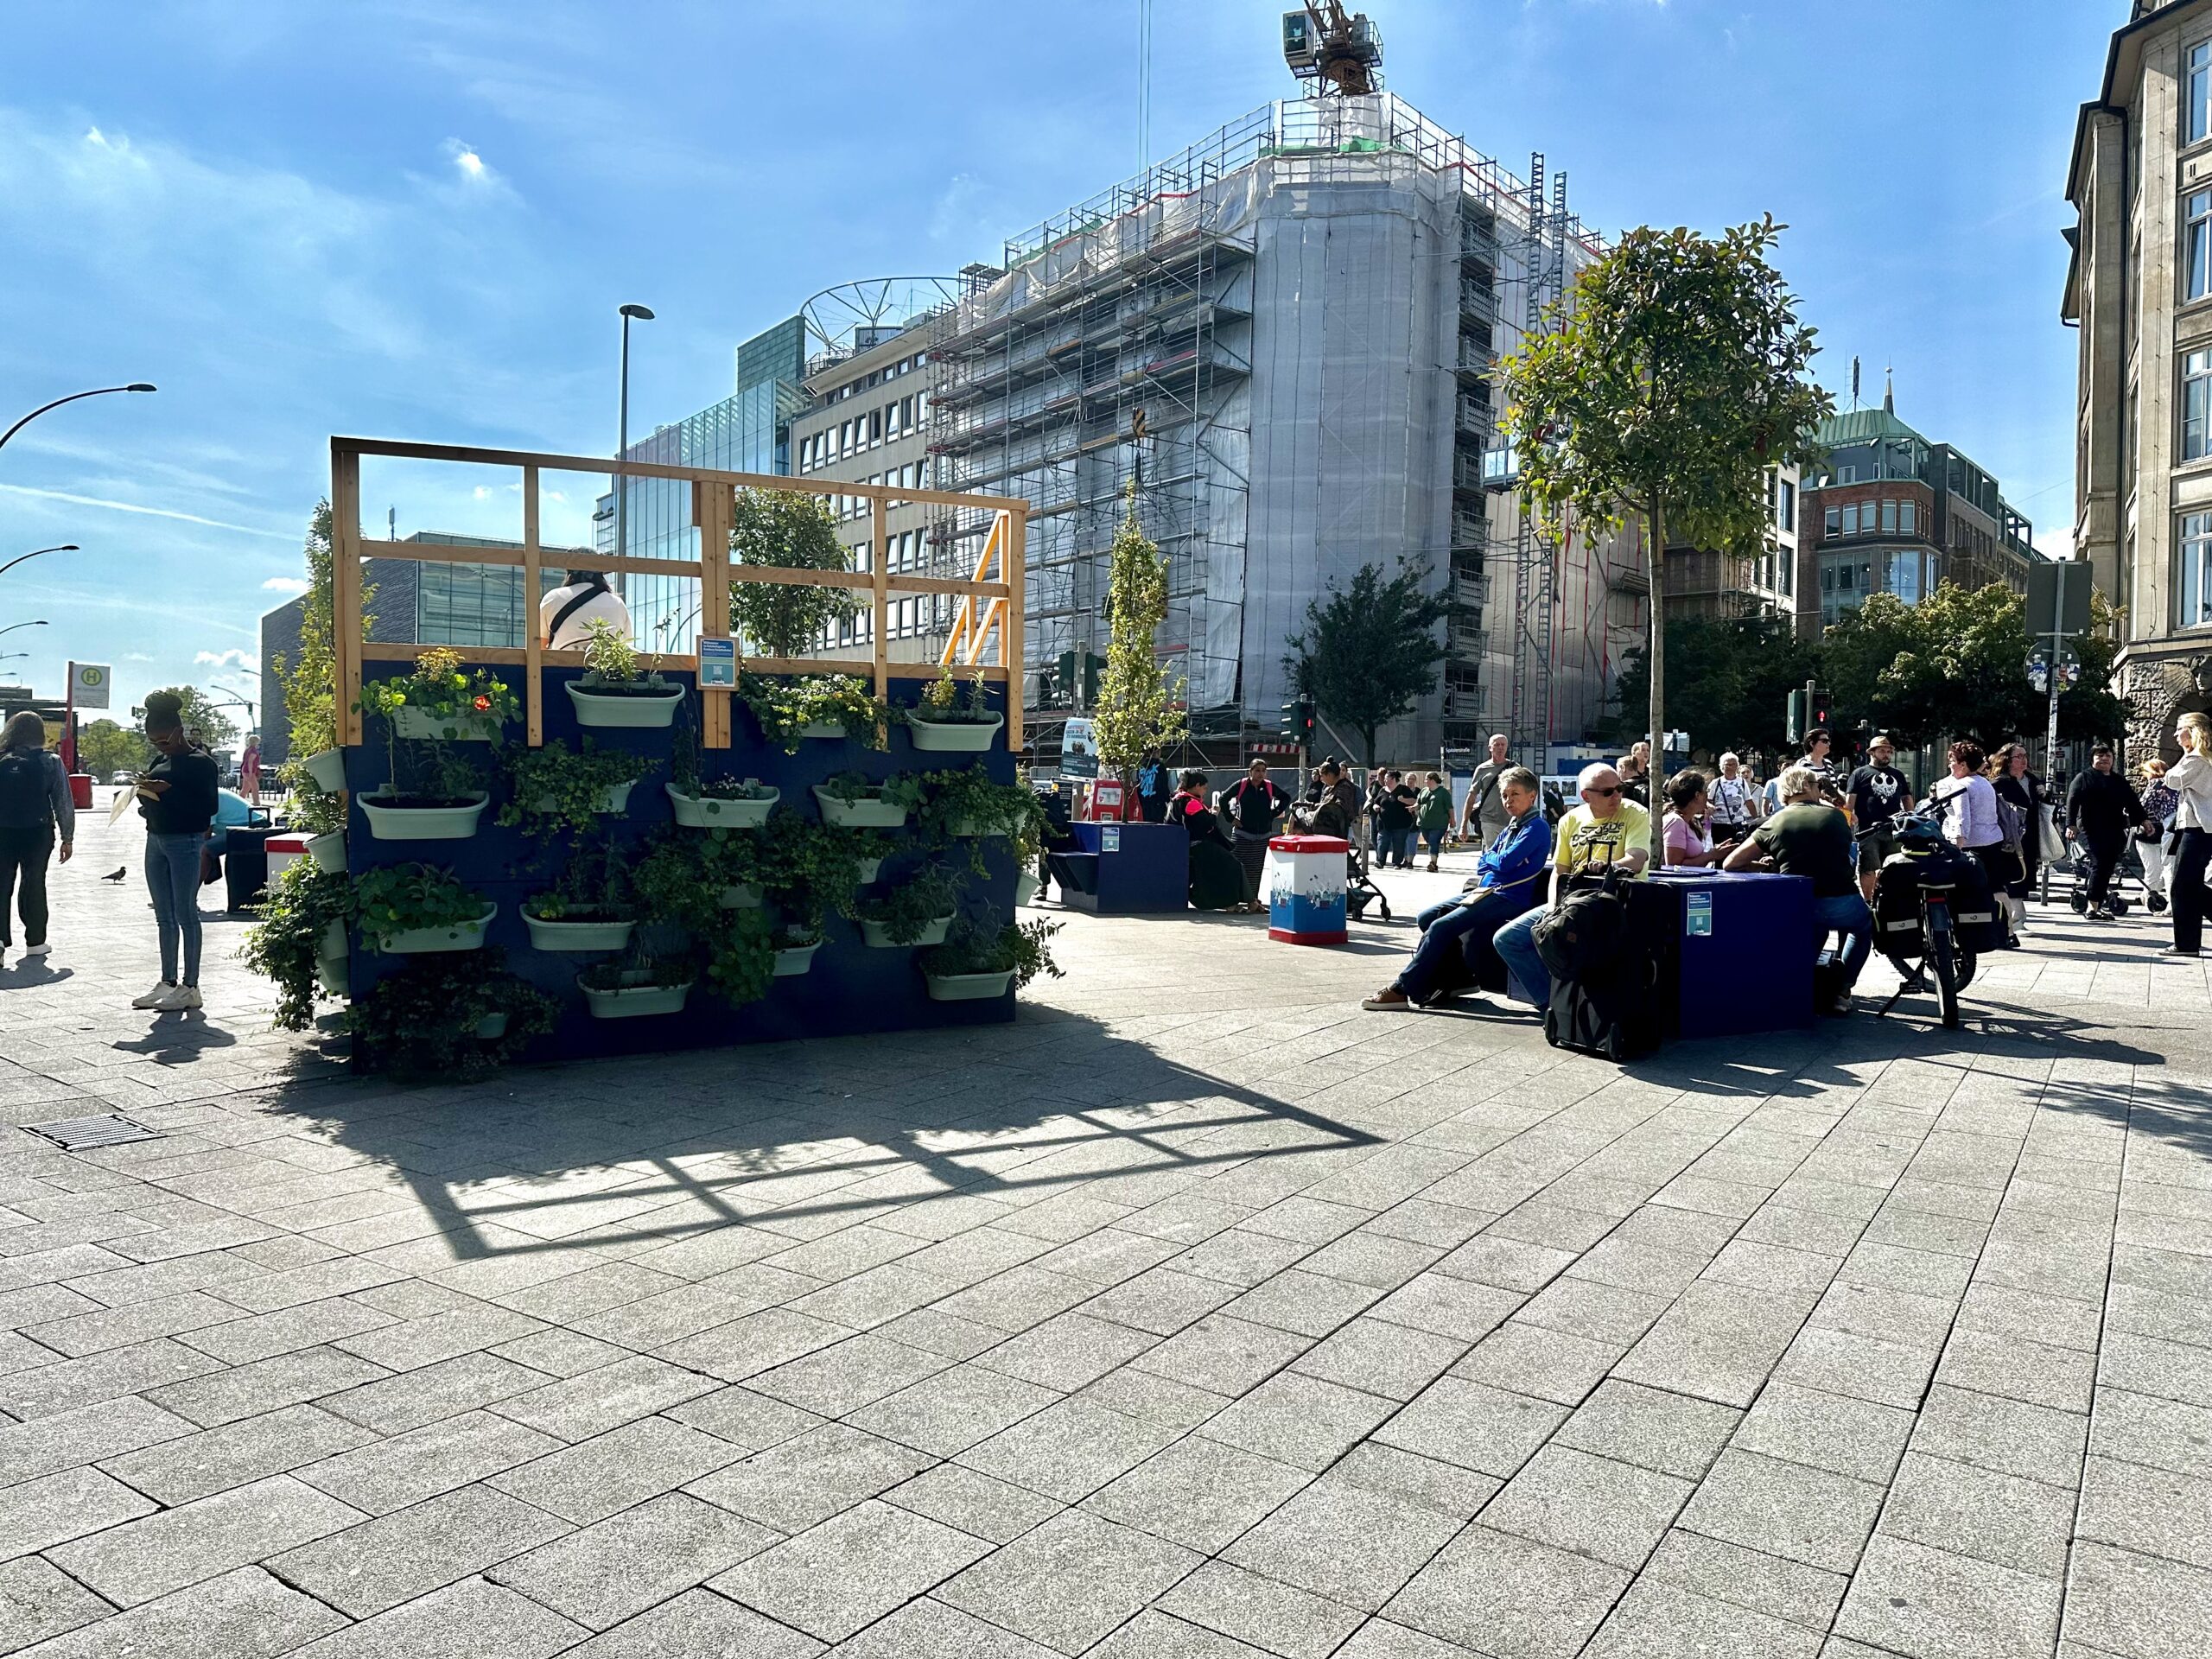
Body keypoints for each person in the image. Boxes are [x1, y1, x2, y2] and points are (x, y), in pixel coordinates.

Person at [1364, 768, 1549, 1010]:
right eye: (1504, 795)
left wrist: (1494, 859)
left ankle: (1403, 988)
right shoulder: (1512, 825)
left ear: (1532, 796)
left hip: (1508, 896)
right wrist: (1494, 859)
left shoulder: (1535, 827)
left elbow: (1501, 862)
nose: (1508, 800)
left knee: (1441, 927)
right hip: (1486, 891)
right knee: (1427, 917)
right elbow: (1487, 862)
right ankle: (1459, 977)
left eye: (1515, 794)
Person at [1492, 762, 1652, 1010]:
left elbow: (1637, 858)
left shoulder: (1635, 813)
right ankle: (1553, 1005)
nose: (1617, 796)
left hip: (1613, 903)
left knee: (1579, 944)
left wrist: (1609, 864)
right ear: (1586, 796)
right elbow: (1560, 869)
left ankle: (1571, 1007)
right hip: (1572, 902)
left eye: (1619, 788)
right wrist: (1553, 908)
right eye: (1608, 792)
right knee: (1507, 939)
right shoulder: (1570, 820)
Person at [1723, 764, 1871, 1014]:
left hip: (1797, 902)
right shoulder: (1835, 815)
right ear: (1804, 786)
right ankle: (1843, 990)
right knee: (1863, 925)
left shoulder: (1775, 821)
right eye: (1816, 785)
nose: (1819, 790)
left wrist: (1764, 866)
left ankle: (1799, 986)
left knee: (1814, 928)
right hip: (1840, 898)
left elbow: (1731, 863)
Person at [131, 690, 219, 1009]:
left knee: (186, 913)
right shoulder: (159, 761)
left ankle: (191, 986)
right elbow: (151, 803)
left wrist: (168, 793)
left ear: (179, 732)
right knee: (163, 915)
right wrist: (142, 793)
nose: (160, 747)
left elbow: (208, 807)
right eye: (154, 742)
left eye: (164, 741)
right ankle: (167, 981)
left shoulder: (201, 764)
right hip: (155, 839)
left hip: (185, 841)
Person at [0, 712, 74, 969]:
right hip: (38, 832)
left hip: (2, 831)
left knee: (1, 885)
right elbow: (63, 801)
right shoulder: (50, 761)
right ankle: (35, 941)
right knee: (34, 882)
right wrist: (68, 837)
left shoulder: (1, 759)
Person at [1934, 739, 2014, 937]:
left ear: (1963, 764)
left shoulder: (1961, 786)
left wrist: (1957, 847)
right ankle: (2008, 931)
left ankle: (1974, 929)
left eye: (1953, 760)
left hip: (1972, 844)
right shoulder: (1984, 783)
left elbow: (1962, 819)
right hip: (1993, 840)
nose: (1950, 765)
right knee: (1997, 887)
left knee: (1969, 888)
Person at [2059, 745, 2144, 922]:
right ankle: (2093, 906)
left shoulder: (2118, 780)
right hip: (2090, 829)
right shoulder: (2083, 778)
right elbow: (2072, 801)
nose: (2105, 758)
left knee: (2106, 867)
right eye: (2100, 755)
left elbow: (2132, 801)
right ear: (2092, 759)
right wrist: (2070, 824)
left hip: (2114, 829)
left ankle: (2096, 904)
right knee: (2100, 864)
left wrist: (2143, 820)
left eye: (2108, 755)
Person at [2163, 711, 2212, 957]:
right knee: (2190, 885)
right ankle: (2188, 943)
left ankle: (2185, 944)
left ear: (2192, 731)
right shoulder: (2202, 759)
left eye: (2180, 728)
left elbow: (2171, 779)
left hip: (2199, 829)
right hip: (2198, 827)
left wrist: (2183, 755)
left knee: (2181, 886)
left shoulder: (2195, 760)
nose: (2175, 734)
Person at [1990, 742, 2048, 931]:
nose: (2023, 760)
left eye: (2025, 756)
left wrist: (2046, 795)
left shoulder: (2032, 780)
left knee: (2026, 874)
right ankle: (2015, 920)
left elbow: (2041, 805)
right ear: (2007, 760)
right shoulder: (2000, 783)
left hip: (2030, 835)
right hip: (2009, 838)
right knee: (2014, 875)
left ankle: (2017, 918)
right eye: (2019, 757)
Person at [1848, 734, 1912, 903]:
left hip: (1894, 828)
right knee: (1869, 868)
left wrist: (1910, 817)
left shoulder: (1897, 774)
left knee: (1896, 866)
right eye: (1882, 751)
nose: (1886, 754)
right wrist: (1848, 820)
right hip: (1868, 829)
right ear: (1872, 753)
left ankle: (1894, 900)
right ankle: (1868, 903)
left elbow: (1906, 797)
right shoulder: (1859, 774)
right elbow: (1850, 802)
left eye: (1889, 751)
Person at [1167, 769, 1243, 911]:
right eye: (1204, 788)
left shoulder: (1176, 799)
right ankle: (1231, 903)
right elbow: (1207, 824)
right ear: (1197, 786)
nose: (1205, 791)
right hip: (1197, 845)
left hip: (1183, 845)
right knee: (1232, 865)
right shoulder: (1191, 803)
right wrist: (1214, 814)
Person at [1222, 759, 1290, 912]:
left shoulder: (1269, 787)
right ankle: (1232, 901)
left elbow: (1286, 798)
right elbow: (1223, 799)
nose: (1260, 774)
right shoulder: (1241, 785)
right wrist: (1231, 819)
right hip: (1242, 834)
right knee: (1237, 867)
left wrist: (1273, 814)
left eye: (1263, 771)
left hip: (1262, 835)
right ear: (1250, 771)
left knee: (1256, 870)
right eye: (1257, 770)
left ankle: (1253, 901)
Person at [1459, 734, 1514, 848]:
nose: (1500, 748)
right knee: (1494, 854)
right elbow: (1471, 797)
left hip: (1511, 820)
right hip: (1489, 820)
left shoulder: (1514, 768)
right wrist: (1463, 826)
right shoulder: (1482, 769)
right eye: (1497, 745)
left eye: (1503, 745)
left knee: (1509, 855)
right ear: (1490, 748)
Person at [2139, 757, 2179, 912]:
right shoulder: (2175, 782)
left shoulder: (2155, 783)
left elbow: (2143, 806)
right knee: (2173, 865)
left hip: (2170, 826)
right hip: (2182, 823)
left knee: (2168, 866)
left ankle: (2171, 905)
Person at [1661, 770, 1723, 868]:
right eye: (1705, 792)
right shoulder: (1676, 822)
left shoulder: (1687, 821)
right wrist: (1711, 855)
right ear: (1697, 795)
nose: (1707, 796)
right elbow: (1673, 866)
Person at [1707, 753, 1762, 848]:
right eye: (1727, 764)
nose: (1730, 767)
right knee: (1721, 853)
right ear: (1721, 766)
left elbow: (1749, 801)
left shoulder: (1742, 782)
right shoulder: (1715, 783)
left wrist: (1756, 820)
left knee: (1737, 852)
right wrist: (1710, 807)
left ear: (1737, 766)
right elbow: (1708, 800)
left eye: (1733, 764)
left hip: (1738, 824)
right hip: (1719, 824)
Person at [1296, 760, 1360, 839]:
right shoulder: (1329, 788)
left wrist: (1316, 806)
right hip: (1326, 826)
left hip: (1336, 829)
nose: (1322, 779)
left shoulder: (1345, 787)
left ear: (1329, 775)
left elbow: (1339, 808)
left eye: (1322, 776)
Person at [1800, 729, 1849, 811]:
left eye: (1828, 741)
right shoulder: (1803, 765)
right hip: (1813, 811)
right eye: (1825, 741)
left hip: (1831, 811)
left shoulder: (1828, 763)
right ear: (1812, 744)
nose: (1829, 744)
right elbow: (1802, 793)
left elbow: (1835, 789)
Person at [1378, 772, 1418, 868]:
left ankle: (1397, 863)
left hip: (1401, 824)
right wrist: (1376, 806)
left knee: (1399, 844)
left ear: (1393, 779)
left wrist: (1403, 800)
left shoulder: (1403, 789)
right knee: (1382, 842)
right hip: (1384, 823)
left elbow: (1414, 800)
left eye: (1386, 778)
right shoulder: (1383, 790)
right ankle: (1380, 861)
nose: (1385, 780)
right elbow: (1377, 802)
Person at [1416, 771, 1453, 872]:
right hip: (1424, 823)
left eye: (1426, 779)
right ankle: (1434, 860)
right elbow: (1418, 804)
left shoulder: (1443, 793)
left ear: (1432, 780)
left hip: (1439, 823)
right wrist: (1412, 807)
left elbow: (1450, 808)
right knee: (1431, 842)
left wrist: (1452, 821)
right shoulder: (1424, 791)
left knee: (1433, 841)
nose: (1425, 781)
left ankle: (1433, 863)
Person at [1135, 750, 1171, 825]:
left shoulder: (1140, 767)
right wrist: (1168, 800)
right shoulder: (1160, 767)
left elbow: (1138, 786)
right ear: (1158, 752)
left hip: (1145, 800)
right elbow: (1164, 785)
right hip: (1158, 802)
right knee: (1157, 826)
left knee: (1147, 824)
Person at [238, 736, 263, 807]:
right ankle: (256, 803)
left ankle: (239, 801)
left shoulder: (248, 750)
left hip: (245, 770)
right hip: (249, 771)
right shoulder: (253, 751)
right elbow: (250, 762)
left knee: (246, 788)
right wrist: (251, 772)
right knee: (255, 787)